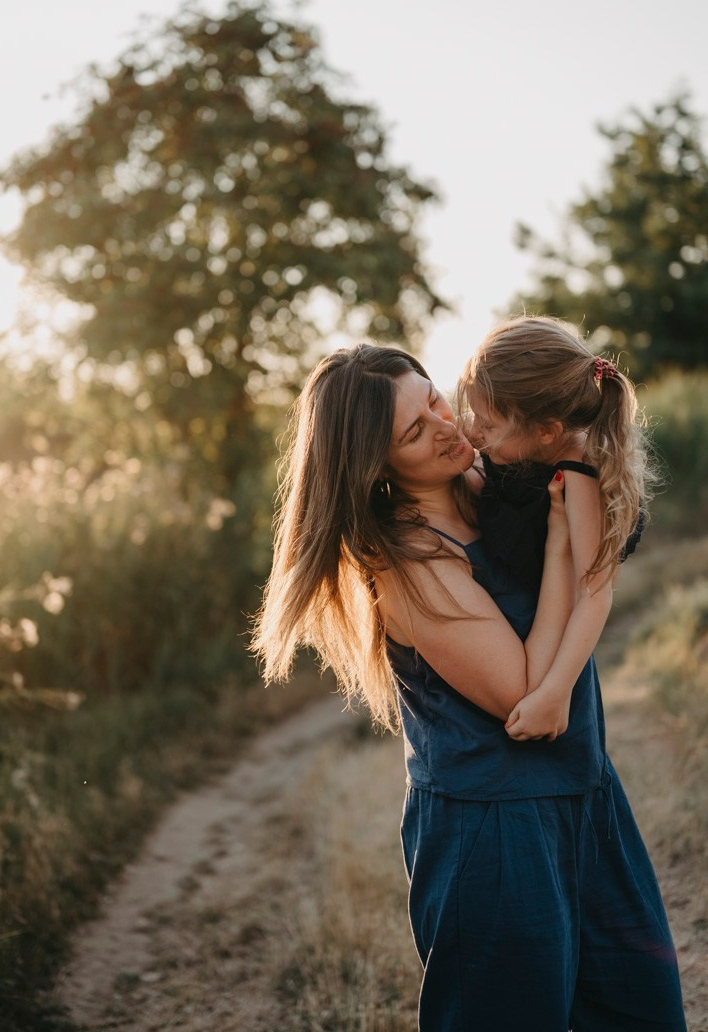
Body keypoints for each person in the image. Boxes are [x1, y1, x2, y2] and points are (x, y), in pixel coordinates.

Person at [251, 342, 686, 1032]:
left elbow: (603, 505)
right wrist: (559, 552)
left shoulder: (498, 478)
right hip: (493, 832)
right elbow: (525, 689)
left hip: (587, 794)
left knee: (646, 1015)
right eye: (415, 432)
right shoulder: (410, 564)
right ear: (375, 467)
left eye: (435, 401)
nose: (448, 427)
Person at [458, 314, 654, 742]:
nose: (473, 432)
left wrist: (555, 691)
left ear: (547, 431)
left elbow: (594, 593)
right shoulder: (524, 442)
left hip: (557, 645)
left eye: (487, 425)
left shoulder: (579, 474)